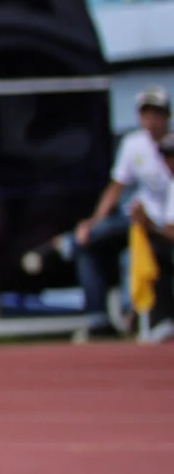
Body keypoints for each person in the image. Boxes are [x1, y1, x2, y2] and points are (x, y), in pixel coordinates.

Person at [73, 87, 174, 339]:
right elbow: (116, 188)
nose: (151, 121)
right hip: (141, 220)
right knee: (86, 241)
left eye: (157, 114)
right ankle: (98, 319)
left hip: (161, 226)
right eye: (145, 114)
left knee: (134, 256)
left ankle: (134, 314)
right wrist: (93, 222)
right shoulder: (133, 144)